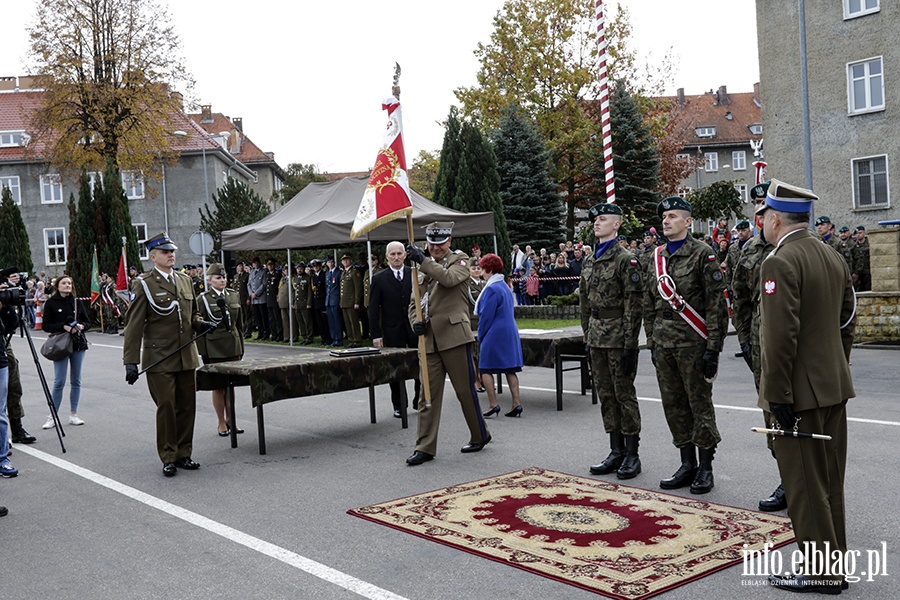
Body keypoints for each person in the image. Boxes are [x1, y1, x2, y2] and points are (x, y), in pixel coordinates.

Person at [756, 180, 855, 595]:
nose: (761, 223)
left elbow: (779, 338)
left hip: (798, 393)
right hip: (832, 386)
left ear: (775, 218)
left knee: (804, 486)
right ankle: (834, 564)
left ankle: (822, 573)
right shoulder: (831, 255)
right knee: (830, 481)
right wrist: (835, 367)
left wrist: (777, 396)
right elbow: (848, 318)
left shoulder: (779, 262)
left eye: (763, 216)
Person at [644, 197, 728, 495]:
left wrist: (713, 350)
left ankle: (705, 468)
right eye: (664, 216)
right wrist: (651, 342)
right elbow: (649, 304)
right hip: (664, 343)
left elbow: (716, 306)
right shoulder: (655, 257)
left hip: (694, 343)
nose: (666, 221)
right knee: (673, 405)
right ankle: (686, 462)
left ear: (688, 221)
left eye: (673, 216)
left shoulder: (703, 255)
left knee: (698, 405)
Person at [123, 232, 216, 477]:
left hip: (186, 354)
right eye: (165, 252)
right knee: (166, 406)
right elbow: (133, 325)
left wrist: (201, 324)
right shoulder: (143, 284)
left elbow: (191, 314)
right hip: (159, 357)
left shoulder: (184, 281)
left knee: (187, 406)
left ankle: (184, 453)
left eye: (172, 251)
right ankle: (168, 455)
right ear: (153, 256)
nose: (171, 255)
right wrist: (130, 361)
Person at [405, 222, 491, 465]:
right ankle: (424, 447)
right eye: (432, 243)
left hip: (454, 336)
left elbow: (449, 279)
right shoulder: (420, 267)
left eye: (440, 243)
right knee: (427, 395)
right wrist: (415, 322)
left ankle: (479, 434)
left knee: (465, 392)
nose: (436, 247)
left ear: (449, 241)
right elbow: (414, 302)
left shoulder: (460, 260)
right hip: (429, 340)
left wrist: (422, 260)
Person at [731, 182, 786, 511]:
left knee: (799, 414)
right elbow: (739, 298)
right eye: (755, 202)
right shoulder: (749, 249)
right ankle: (786, 481)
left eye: (764, 202)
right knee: (771, 414)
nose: (759, 208)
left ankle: (803, 483)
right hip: (758, 341)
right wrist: (744, 340)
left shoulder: (792, 246)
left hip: (792, 344)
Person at [581, 203, 644, 479]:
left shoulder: (625, 259)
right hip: (596, 336)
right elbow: (584, 302)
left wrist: (631, 343)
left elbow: (634, 304)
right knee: (606, 395)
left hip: (619, 336)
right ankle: (615, 449)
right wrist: (587, 333)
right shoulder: (589, 259)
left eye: (603, 219)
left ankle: (632, 454)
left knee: (623, 395)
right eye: (595, 219)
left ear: (616, 224)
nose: (597, 223)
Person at [368, 242, 421, 417]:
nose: (397, 257)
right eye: (393, 254)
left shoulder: (414, 274)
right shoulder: (379, 278)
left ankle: (418, 400)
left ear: (406, 255)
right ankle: (399, 405)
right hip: (392, 330)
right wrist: (376, 334)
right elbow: (373, 309)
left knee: (419, 366)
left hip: (414, 329)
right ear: (387, 257)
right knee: (396, 369)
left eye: (400, 253)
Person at [196, 264, 245, 436]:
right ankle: (220, 422)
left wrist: (241, 345)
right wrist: (204, 352)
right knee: (218, 387)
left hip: (233, 346)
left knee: (231, 386)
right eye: (218, 277)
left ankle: (232, 419)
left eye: (223, 277)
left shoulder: (233, 295)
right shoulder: (202, 299)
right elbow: (198, 328)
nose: (222, 280)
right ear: (209, 280)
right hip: (214, 348)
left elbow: (240, 324)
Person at [476, 253, 523, 418]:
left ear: (489, 269)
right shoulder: (504, 286)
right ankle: (516, 402)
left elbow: (486, 316)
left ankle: (493, 404)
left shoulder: (491, 289)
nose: (481, 272)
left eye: (482, 269)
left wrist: (480, 335)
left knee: (485, 368)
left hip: (495, 332)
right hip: (510, 330)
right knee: (510, 368)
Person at [40, 275, 91, 429]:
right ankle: (53, 415)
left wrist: (81, 327)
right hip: (61, 345)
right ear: (57, 285)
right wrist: (63, 326)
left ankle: (73, 414)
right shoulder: (51, 303)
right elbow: (46, 325)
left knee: (76, 380)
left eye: (69, 283)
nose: (67, 285)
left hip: (77, 344)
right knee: (59, 381)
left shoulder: (77, 301)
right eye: (64, 283)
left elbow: (88, 322)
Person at [0, 298, 19, 478]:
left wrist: (6, 306)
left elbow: (11, 326)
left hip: (0, 361)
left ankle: (2, 458)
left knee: (0, 413)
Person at [339, 254, 363, 348]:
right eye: (344, 260)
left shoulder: (354, 272)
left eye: (347, 260)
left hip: (352, 302)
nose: (345, 262)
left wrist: (357, 302)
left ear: (350, 261)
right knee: (347, 323)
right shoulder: (343, 272)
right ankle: (351, 339)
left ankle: (357, 340)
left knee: (354, 322)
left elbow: (358, 288)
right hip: (344, 302)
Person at [309, 259, 331, 345]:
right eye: (314, 266)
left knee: (325, 321)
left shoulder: (324, 275)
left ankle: (328, 338)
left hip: (323, 302)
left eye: (317, 266)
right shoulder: (313, 277)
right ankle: (323, 338)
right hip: (316, 302)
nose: (315, 268)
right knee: (319, 322)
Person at [247, 257, 268, 340]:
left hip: (261, 298)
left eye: (256, 262)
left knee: (264, 317)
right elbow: (248, 284)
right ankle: (260, 333)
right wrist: (251, 294)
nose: (255, 264)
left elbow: (264, 284)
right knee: (257, 317)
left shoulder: (264, 272)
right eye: (254, 263)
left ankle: (266, 333)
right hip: (254, 299)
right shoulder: (252, 273)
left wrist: (256, 293)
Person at [293, 262, 314, 344]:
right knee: (300, 321)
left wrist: (309, 303)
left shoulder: (307, 278)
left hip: (305, 302)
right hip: (297, 303)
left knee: (307, 321)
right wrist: (293, 302)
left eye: (301, 268)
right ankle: (304, 336)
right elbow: (293, 291)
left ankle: (309, 337)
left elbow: (309, 291)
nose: (299, 270)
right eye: (298, 268)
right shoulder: (294, 278)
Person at [264, 260, 283, 342]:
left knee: (277, 317)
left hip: (275, 298)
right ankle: (274, 333)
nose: (270, 267)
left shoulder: (277, 274)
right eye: (269, 265)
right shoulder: (267, 274)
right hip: (269, 299)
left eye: (271, 265)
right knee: (271, 318)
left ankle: (280, 334)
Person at [234, 262, 252, 339]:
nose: (241, 267)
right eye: (239, 266)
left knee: (248, 316)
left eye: (242, 266)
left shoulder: (247, 275)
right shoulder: (236, 276)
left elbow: (248, 287)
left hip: (245, 299)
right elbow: (235, 288)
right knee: (241, 317)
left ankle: (248, 332)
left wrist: (248, 298)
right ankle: (242, 331)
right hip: (238, 299)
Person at [851, 225, 870, 292]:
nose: (858, 235)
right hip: (858, 274)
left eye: (860, 233)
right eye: (857, 233)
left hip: (867, 272)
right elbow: (852, 260)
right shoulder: (854, 247)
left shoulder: (869, 244)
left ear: (864, 233)